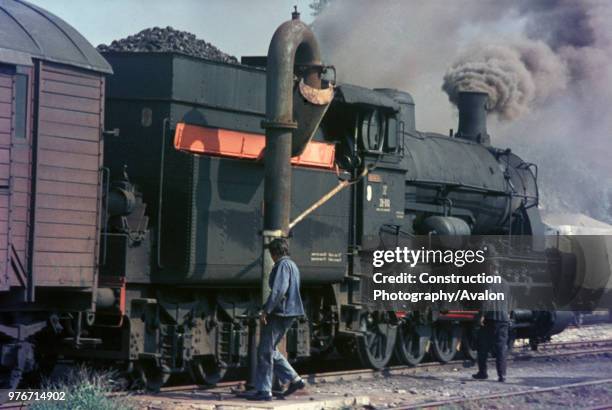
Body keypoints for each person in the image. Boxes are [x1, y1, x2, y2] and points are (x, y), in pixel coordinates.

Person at [249, 238, 306, 401]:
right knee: (270, 349)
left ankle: (264, 391)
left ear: (274, 253)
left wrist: (266, 311)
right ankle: (295, 380)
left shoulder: (281, 265)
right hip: (290, 312)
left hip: (281, 313)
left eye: (271, 254)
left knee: (265, 352)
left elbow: (279, 291)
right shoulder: (293, 265)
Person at [473, 277, 510, 383]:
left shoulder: (489, 282)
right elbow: (509, 299)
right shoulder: (505, 282)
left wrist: (482, 315)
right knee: (501, 348)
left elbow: (487, 300)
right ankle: (502, 375)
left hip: (491, 319)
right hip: (503, 319)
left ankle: (483, 373)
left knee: (482, 346)